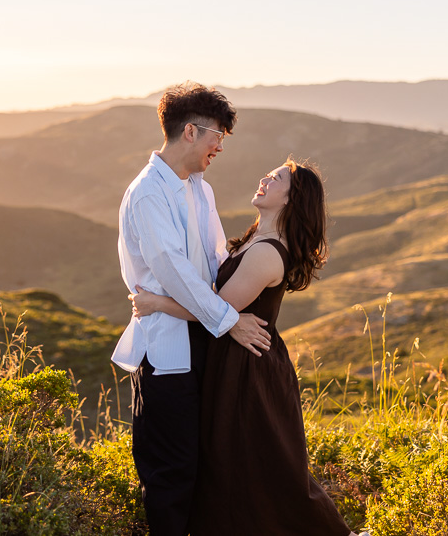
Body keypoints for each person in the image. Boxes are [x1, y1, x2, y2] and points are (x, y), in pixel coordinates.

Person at [131, 159, 363, 536]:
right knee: (239, 464)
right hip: (234, 360)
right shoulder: (257, 237)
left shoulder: (268, 252)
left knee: (264, 467)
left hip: (249, 370)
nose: (264, 179)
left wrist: (156, 304)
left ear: (292, 198)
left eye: (275, 179)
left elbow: (216, 308)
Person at [111, 82, 272, 536]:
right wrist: (230, 321)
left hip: (203, 341)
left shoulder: (199, 188)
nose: (220, 145)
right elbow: (174, 269)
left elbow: (215, 262)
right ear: (190, 132)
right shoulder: (148, 194)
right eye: (217, 134)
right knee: (171, 471)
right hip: (167, 354)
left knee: (207, 463)